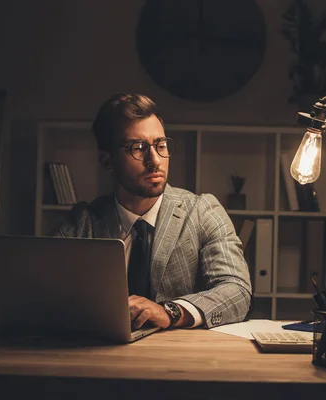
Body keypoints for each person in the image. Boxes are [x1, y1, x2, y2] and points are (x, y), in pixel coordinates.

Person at [50, 93, 251, 330]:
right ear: (107, 161)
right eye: (138, 148)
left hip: (180, 359)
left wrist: (171, 312)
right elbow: (40, 292)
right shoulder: (82, 223)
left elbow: (237, 290)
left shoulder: (202, 211)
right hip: (98, 357)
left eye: (161, 145)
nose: (154, 160)